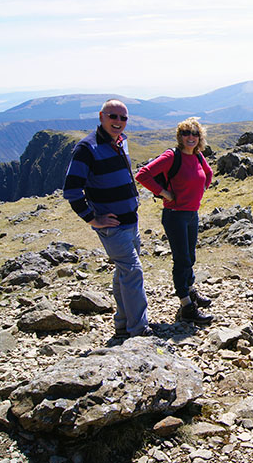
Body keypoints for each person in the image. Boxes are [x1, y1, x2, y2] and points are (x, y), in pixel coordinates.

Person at [63, 99, 150, 338]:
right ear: (101, 116)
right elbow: (71, 190)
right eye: (113, 116)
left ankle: (123, 324)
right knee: (133, 272)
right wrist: (93, 219)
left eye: (123, 118)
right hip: (113, 227)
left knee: (124, 272)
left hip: (131, 220)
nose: (119, 122)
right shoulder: (86, 148)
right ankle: (139, 330)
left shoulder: (121, 143)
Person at [136, 118, 214, 325]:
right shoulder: (172, 156)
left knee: (190, 256)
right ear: (180, 136)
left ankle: (190, 290)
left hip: (191, 213)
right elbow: (142, 174)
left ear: (200, 137)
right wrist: (164, 193)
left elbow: (208, 173)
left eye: (195, 133)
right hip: (175, 215)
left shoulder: (197, 156)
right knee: (182, 260)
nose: (191, 137)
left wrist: (200, 191)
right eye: (186, 133)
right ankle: (186, 305)